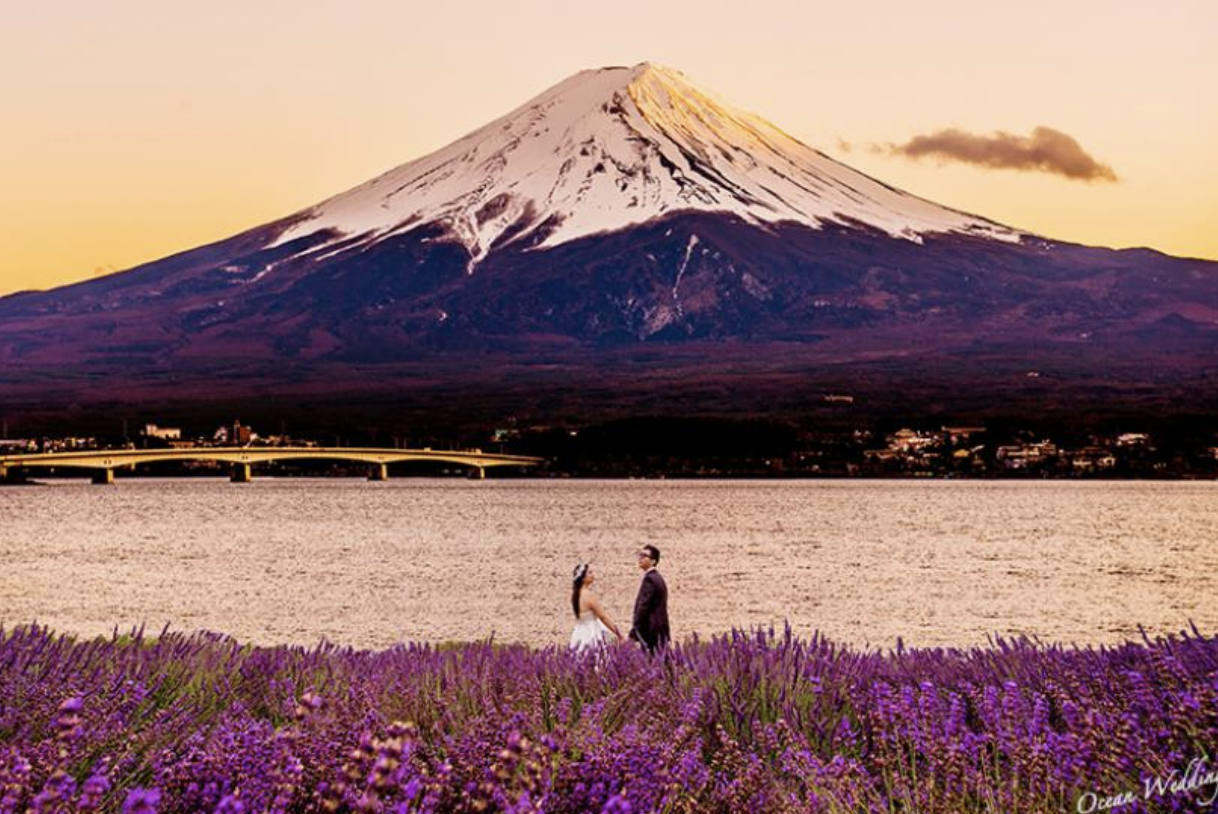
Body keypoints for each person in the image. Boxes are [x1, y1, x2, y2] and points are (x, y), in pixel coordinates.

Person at [569, 563, 624, 651]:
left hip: (579, 632)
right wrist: (618, 633)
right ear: (583, 578)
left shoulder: (575, 596)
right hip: (591, 632)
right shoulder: (589, 596)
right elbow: (603, 617)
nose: (593, 575)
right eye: (590, 573)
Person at [629, 544, 670, 652]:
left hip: (651, 631)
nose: (640, 558)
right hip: (659, 630)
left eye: (644, 555)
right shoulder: (657, 578)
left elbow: (643, 606)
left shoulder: (650, 580)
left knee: (651, 663)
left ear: (653, 561)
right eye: (640, 555)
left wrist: (634, 630)